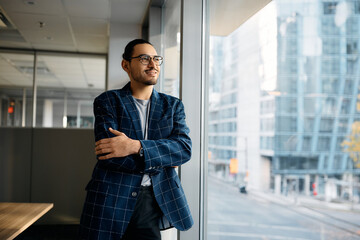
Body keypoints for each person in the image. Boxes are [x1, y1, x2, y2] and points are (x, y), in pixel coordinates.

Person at [79, 39, 193, 239]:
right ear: (126, 65)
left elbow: (183, 149)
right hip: (110, 197)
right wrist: (163, 159)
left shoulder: (173, 106)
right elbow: (111, 155)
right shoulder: (108, 101)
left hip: (152, 199)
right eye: (144, 58)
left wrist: (134, 146)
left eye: (156, 58)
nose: (153, 64)